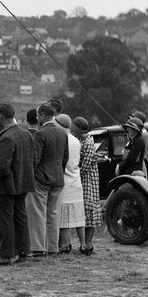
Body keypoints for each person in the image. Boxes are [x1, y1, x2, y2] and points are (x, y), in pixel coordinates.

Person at [0, 103, 35, 265]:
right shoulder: (26, 134)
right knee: (20, 217)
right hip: (23, 183)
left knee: (3, 220)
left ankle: (6, 255)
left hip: (5, 186)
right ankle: (22, 251)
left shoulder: (6, 137)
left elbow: (2, 166)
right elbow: (32, 159)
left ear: (0, 117)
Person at [28, 103, 68, 257]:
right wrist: (59, 172)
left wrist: (33, 175)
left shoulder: (40, 134)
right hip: (58, 179)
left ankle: (38, 247)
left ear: (43, 116)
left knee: (38, 213)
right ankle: (52, 247)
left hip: (41, 179)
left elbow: (35, 158)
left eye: (38, 115)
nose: (37, 118)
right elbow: (65, 158)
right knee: (53, 214)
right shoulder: (62, 133)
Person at [71, 117, 102, 255]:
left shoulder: (88, 142)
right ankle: (85, 244)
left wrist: (73, 172)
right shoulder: (82, 140)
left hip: (88, 182)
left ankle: (88, 243)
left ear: (79, 128)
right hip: (84, 181)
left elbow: (85, 166)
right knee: (84, 213)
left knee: (88, 213)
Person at [55, 114, 85, 254]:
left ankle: (65, 244)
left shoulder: (62, 139)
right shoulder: (76, 141)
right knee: (78, 215)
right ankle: (83, 244)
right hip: (76, 180)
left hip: (65, 180)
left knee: (64, 215)